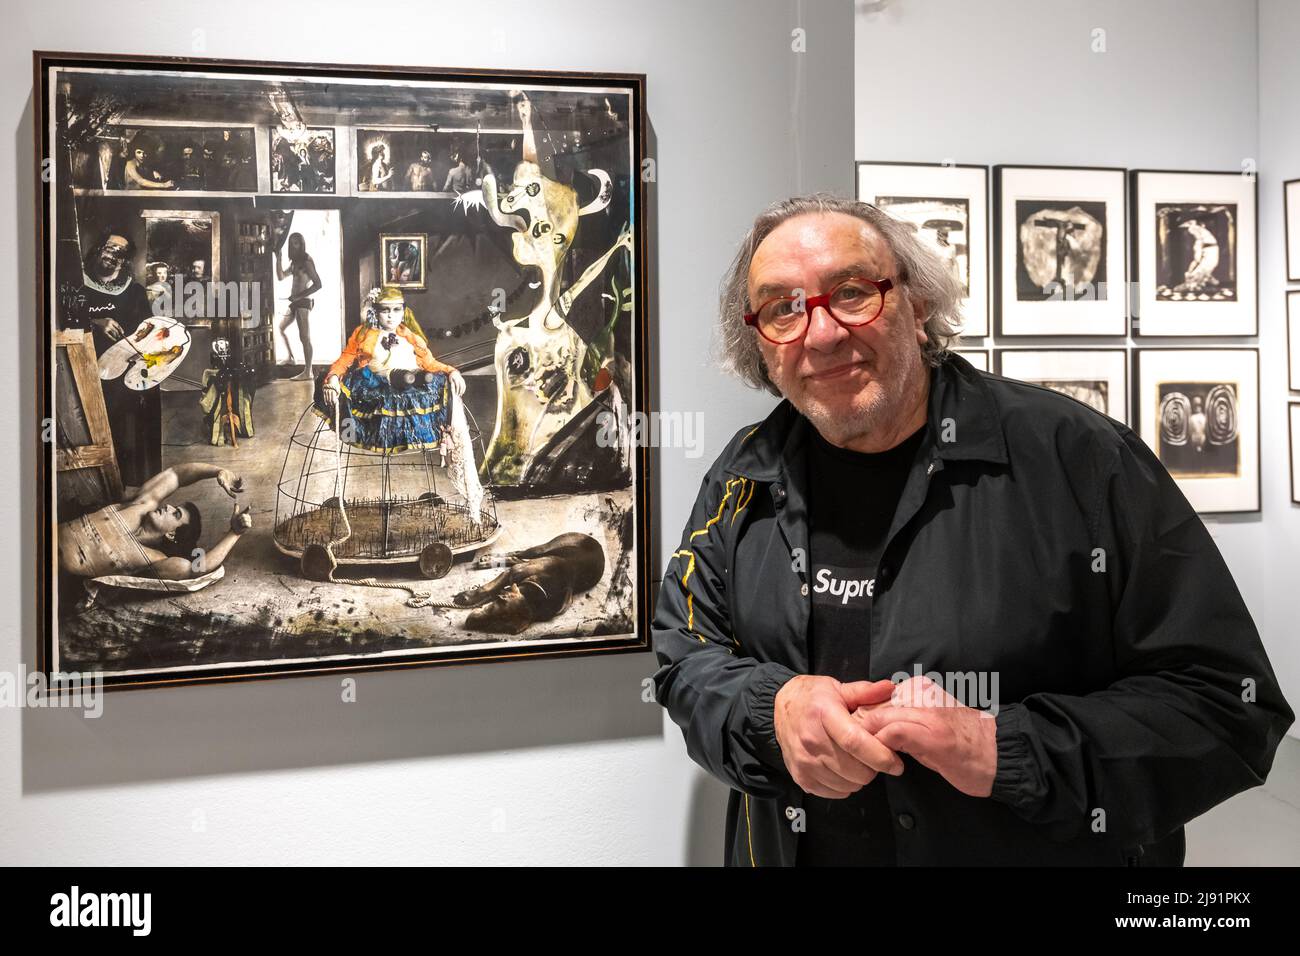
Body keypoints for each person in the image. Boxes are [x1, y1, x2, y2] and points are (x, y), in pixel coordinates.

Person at [650, 194, 1294, 867]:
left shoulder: (1078, 459)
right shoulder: (742, 477)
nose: (822, 333)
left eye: (851, 292)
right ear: (759, 340)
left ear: (918, 305)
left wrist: (1005, 748)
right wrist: (770, 709)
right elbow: (684, 656)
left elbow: (1226, 705)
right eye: (783, 307)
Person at [62, 230, 162, 487]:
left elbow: (148, 332)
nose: (111, 253)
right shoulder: (78, 287)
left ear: (125, 259)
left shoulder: (135, 292)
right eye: (108, 247)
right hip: (90, 376)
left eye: (119, 250)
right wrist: (96, 322)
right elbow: (61, 322)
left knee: (134, 431)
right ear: (98, 250)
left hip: (127, 375)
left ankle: (135, 488)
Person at [318, 287, 465, 453]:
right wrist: (333, 378)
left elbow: (430, 363)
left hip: (411, 377)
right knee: (396, 379)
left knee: (428, 380)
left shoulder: (410, 337)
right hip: (377, 380)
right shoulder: (364, 334)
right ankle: (405, 378)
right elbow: (345, 360)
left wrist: (452, 371)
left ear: (403, 312)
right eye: (385, 311)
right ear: (375, 312)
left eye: (396, 310)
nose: (390, 316)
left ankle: (416, 378)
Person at [58, 463, 250, 581]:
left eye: (176, 515)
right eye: (173, 506)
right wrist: (219, 471)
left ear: (172, 534)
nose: (168, 507)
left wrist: (234, 533)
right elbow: (175, 474)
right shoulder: (140, 505)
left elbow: (196, 568)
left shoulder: (153, 559)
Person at [274, 233, 323, 380]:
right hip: (295, 302)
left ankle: (308, 372)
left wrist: (298, 296)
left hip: (303, 303)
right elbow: (281, 276)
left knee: (304, 337)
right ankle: (291, 357)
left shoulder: (307, 261)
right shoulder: (295, 262)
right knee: (281, 328)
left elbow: (318, 284)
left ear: (302, 244)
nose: (294, 246)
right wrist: (279, 259)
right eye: (292, 243)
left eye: (297, 243)